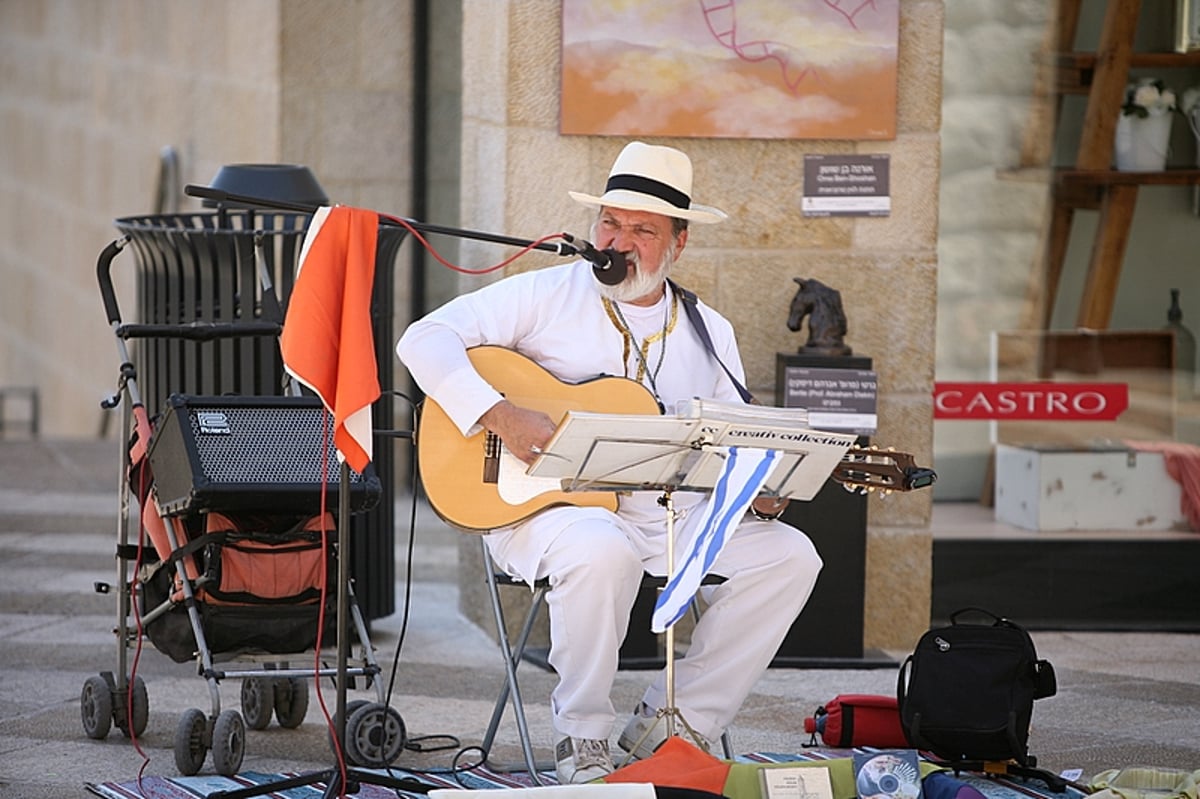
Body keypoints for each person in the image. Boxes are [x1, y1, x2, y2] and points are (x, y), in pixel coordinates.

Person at [396, 141, 823, 783]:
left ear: (678, 243)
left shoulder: (710, 330)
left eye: (641, 230)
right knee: (600, 550)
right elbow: (421, 339)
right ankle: (583, 738)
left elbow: (729, 440)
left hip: (666, 516)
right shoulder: (544, 294)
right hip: (544, 511)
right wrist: (500, 415)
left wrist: (758, 487)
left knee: (791, 556)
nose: (618, 240)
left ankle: (674, 724)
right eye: (610, 222)